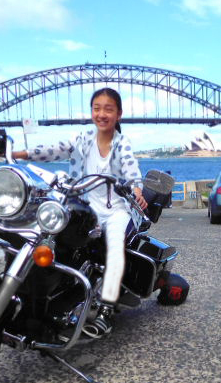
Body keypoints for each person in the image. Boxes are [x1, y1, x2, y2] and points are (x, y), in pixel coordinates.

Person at [8, 88, 147, 338]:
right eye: (97, 108)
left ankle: (105, 310)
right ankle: (34, 300)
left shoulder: (122, 143)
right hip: (83, 206)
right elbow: (54, 150)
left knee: (115, 250)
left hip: (115, 209)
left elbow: (131, 169)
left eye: (108, 109)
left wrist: (136, 189)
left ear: (118, 114)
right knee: (43, 236)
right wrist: (19, 154)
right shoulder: (82, 138)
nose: (101, 114)